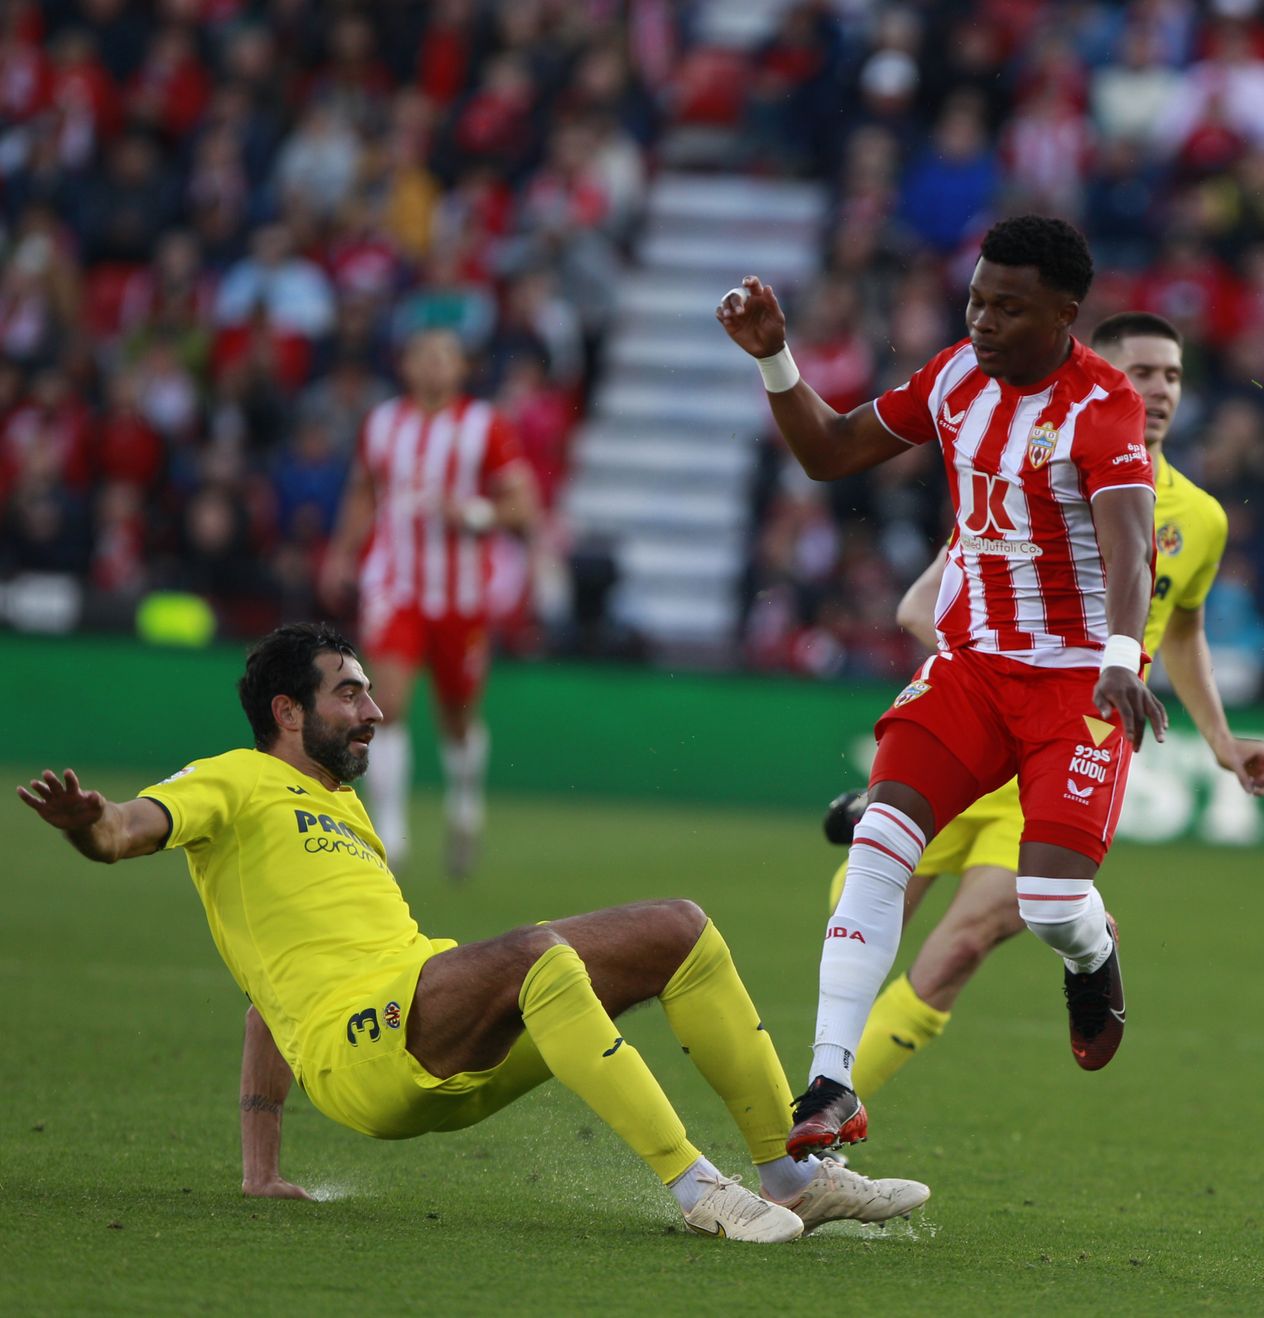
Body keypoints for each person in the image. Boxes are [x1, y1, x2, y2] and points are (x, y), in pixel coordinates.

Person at [15, 623, 929, 1243]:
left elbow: (265, 996)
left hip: (433, 1009)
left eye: (370, 692)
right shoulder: (232, 780)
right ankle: (701, 1194)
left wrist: (262, 1171)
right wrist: (90, 826)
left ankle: (790, 1179)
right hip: (366, 1054)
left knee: (679, 930)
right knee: (536, 951)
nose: (373, 710)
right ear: (287, 712)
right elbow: (127, 830)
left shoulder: (342, 810)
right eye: (350, 694)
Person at [718, 215, 1171, 1159]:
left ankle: (1094, 953)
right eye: (976, 299)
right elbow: (832, 450)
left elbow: (1130, 544)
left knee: (1048, 907)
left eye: (1009, 307)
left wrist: (1123, 659)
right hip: (968, 669)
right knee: (881, 839)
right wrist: (776, 362)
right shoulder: (954, 376)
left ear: (1064, 316)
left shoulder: (1104, 405)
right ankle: (832, 1084)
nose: (983, 321)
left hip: (1071, 689)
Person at [819, 312, 1264, 1105]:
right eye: (1140, 373)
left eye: (1171, 376)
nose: (1158, 390)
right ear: (1099, 378)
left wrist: (1220, 738)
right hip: (983, 726)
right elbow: (916, 608)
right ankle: (814, 1099)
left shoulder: (1199, 519)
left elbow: (1182, 628)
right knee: (860, 909)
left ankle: (822, 1124)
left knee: (961, 947)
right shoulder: (1032, 473)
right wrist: (1009, 664)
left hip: (1065, 746)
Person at [322, 327, 536, 879]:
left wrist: (473, 514)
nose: (434, 367)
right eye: (423, 356)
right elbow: (362, 492)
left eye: (444, 357)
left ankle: (465, 803)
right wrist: (342, 553)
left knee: (458, 718)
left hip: (461, 595)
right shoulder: (383, 423)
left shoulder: (484, 426)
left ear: (461, 368)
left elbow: (524, 505)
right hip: (395, 588)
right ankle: (390, 832)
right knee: (385, 701)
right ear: (407, 365)